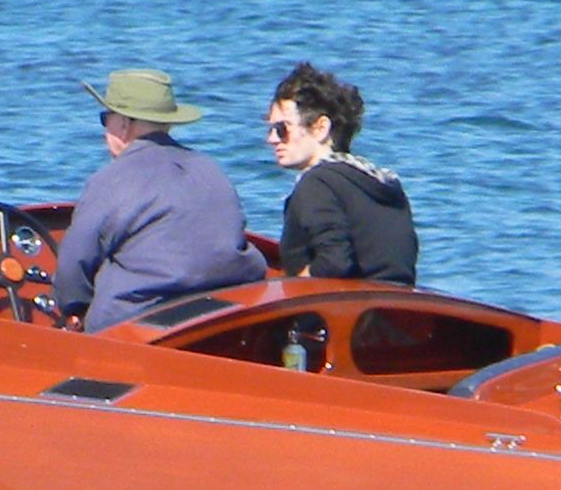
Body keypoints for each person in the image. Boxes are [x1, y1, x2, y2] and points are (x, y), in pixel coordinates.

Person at [46, 68, 260, 330]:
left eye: (105, 119)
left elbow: (74, 265)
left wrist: (73, 307)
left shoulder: (111, 179)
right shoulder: (211, 170)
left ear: (124, 124)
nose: (104, 131)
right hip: (222, 319)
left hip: (133, 328)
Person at [265, 63, 417, 283]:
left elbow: (334, 263)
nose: (271, 139)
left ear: (320, 128)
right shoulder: (383, 184)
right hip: (398, 308)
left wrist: (286, 288)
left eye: (282, 129)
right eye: (270, 129)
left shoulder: (316, 184)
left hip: (344, 311)